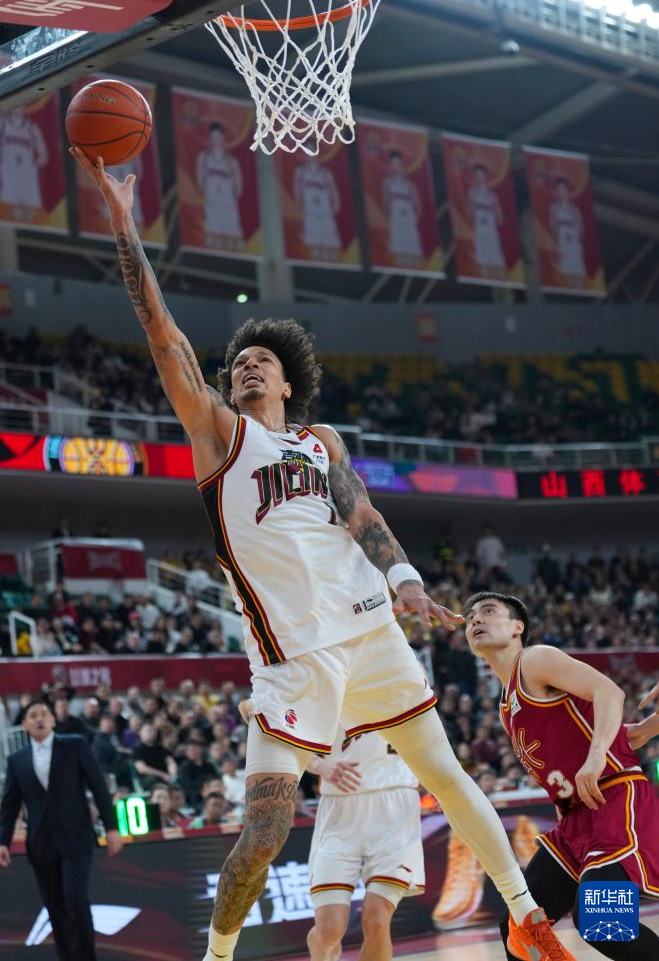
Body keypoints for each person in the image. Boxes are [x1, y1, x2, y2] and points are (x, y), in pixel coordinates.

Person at [69, 144, 579, 961]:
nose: (245, 366)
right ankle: (218, 953)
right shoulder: (218, 435)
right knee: (265, 830)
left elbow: (360, 511)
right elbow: (164, 338)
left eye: (260, 361)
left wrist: (404, 577)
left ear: (286, 382)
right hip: (293, 655)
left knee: (446, 772)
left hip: (369, 627)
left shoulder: (320, 440)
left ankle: (525, 915)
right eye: (237, 362)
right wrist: (123, 224)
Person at [464, 591, 659, 961]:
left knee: (601, 920)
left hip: (615, 799)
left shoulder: (535, 660)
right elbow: (593, 732)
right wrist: (641, 731)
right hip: (575, 820)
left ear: (517, 627)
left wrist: (598, 756)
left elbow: (609, 692)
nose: (475, 619)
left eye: (488, 611)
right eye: (471, 616)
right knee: (520, 929)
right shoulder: (506, 704)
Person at [0, 700, 123, 961]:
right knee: (55, 909)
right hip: (41, 843)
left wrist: (112, 827)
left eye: (44, 714)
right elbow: (10, 805)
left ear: (53, 719)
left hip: (76, 836)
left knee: (76, 900)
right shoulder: (17, 760)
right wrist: (3, 842)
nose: (39, 719)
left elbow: (98, 786)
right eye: (33, 715)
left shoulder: (74, 745)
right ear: (25, 724)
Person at [306, 728, 424, 961]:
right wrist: (320, 766)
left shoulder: (409, 700)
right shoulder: (318, 702)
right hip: (339, 808)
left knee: (377, 919)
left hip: (395, 805)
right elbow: (288, 740)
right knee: (329, 929)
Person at [195, 122, 243, 242]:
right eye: (213, 137)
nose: (215, 139)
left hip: (228, 205)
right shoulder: (204, 157)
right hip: (212, 203)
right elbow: (200, 179)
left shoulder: (231, 161)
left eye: (218, 136)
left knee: (232, 236)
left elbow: (238, 183)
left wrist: (233, 196)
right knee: (212, 235)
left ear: (223, 137)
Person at [0, 106, 47, 210]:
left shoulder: (32, 127)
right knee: (8, 213)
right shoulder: (3, 123)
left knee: (32, 214)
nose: (19, 107)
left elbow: (44, 157)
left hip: (28, 178)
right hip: (8, 177)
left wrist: (31, 165)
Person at [294, 149, 341, 252]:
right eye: (307, 151)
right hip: (310, 211)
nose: (310, 154)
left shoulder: (325, 173)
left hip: (325, 211)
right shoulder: (301, 171)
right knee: (313, 245)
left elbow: (333, 190)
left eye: (312, 150)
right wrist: (299, 204)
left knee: (330, 242)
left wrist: (336, 205)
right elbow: (297, 189)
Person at [382, 149, 422, 260]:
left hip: (409, 220)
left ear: (401, 165)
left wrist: (414, 220)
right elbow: (386, 203)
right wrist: (391, 218)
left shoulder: (410, 185)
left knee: (413, 251)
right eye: (393, 164)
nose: (396, 167)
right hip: (396, 220)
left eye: (398, 164)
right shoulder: (387, 183)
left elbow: (417, 205)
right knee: (399, 252)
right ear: (390, 166)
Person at [468, 162, 505, 274]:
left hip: (491, 226)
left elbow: (498, 211)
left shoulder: (492, 194)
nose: (479, 177)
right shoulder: (473, 193)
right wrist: (473, 222)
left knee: (493, 247)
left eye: (481, 174)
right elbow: (471, 210)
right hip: (480, 226)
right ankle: (485, 269)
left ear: (485, 176)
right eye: (477, 175)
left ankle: (496, 270)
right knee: (482, 248)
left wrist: (498, 219)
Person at [549, 177, 586, 281]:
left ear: (568, 191)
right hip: (563, 243)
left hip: (574, 244)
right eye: (559, 190)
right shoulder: (554, 208)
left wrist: (574, 236)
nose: (562, 193)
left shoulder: (575, 210)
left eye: (564, 190)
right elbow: (553, 228)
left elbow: (581, 231)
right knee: (566, 273)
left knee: (577, 273)